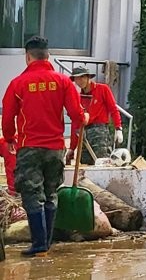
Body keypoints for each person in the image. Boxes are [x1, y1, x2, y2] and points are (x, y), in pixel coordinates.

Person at [2, 36, 86, 257]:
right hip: (55, 147)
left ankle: (39, 244)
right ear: (48, 56)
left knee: (31, 193)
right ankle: (47, 243)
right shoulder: (63, 82)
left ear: (27, 57)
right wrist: (83, 117)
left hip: (29, 147)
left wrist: (10, 138)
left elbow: (7, 116)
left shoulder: (17, 84)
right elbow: (76, 114)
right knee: (51, 193)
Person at [68, 66, 122, 165]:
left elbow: (113, 109)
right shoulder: (79, 97)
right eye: (76, 79)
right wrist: (72, 147)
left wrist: (118, 128)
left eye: (82, 77)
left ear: (88, 77)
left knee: (102, 162)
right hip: (84, 133)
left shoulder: (102, 89)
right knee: (85, 164)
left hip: (100, 132)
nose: (79, 81)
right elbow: (76, 123)